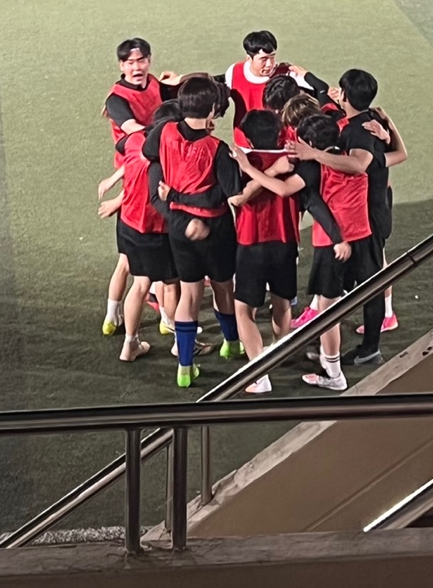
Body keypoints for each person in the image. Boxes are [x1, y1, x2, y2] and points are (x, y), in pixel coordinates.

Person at [233, 111, 378, 393]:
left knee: (327, 312)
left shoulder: (310, 168)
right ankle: (344, 353)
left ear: (309, 143)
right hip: (361, 239)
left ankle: (331, 373)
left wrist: (249, 168)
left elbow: (282, 190)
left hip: (329, 246)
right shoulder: (349, 159)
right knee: (324, 303)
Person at [290, 70, 407, 363]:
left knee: (368, 283)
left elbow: (358, 165)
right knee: (367, 281)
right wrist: (389, 126)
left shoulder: (358, 131)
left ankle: (366, 349)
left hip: (367, 217)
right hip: (373, 210)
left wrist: (314, 154)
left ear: (344, 94)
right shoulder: (372, 120)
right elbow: (398, 155)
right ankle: (352, 345)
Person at [144, 75, 242, 388]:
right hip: (215, 228)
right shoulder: (217, 149)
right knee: (224, 287)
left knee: (189, 293)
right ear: (212, 110)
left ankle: (185, 367)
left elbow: (149, 154)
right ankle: (232, 343)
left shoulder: (163, 131)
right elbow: (229, 194)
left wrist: (173, 195)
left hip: (179, 228)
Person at [100, 39, 179, 335]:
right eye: (130, 63)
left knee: (129, 261)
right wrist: (172, 132)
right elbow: (133, 129)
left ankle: (115, 317)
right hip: (138, 168)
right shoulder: (116, 100)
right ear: (121, 65)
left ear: (149, 61)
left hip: (153, 163)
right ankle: (165, 321)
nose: (137, 67)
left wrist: (177, 83)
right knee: (154, 269)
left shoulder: (155, 84)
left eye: (141, 61)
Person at [229, 108, 300, 394]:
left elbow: (237, 198)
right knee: (282, 302)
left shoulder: (243, 162)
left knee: (244, 309)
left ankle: (259, 376)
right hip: (286, 241)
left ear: (247, 137)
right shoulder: (292, 161)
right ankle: (278, 354)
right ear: (280, 133)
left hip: (251, 242)